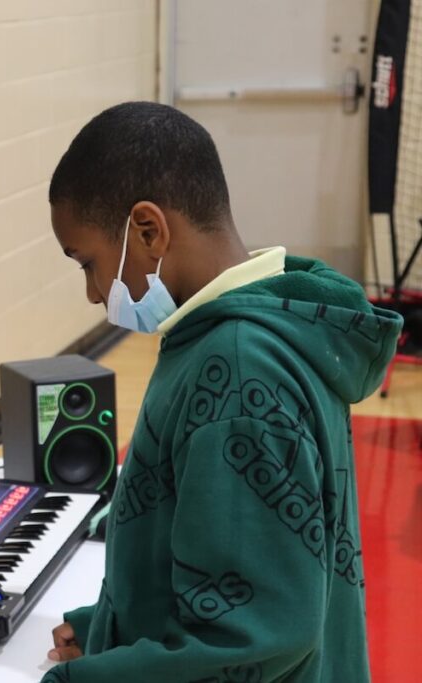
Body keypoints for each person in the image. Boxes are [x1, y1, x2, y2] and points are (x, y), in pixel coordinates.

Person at [41, 102, 402, 682]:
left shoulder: (236, 368)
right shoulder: (257, 327)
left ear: (148, 231)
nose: (92, 293)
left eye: (88, 263)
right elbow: (222, 565)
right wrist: (109, 628)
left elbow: (253, 638)